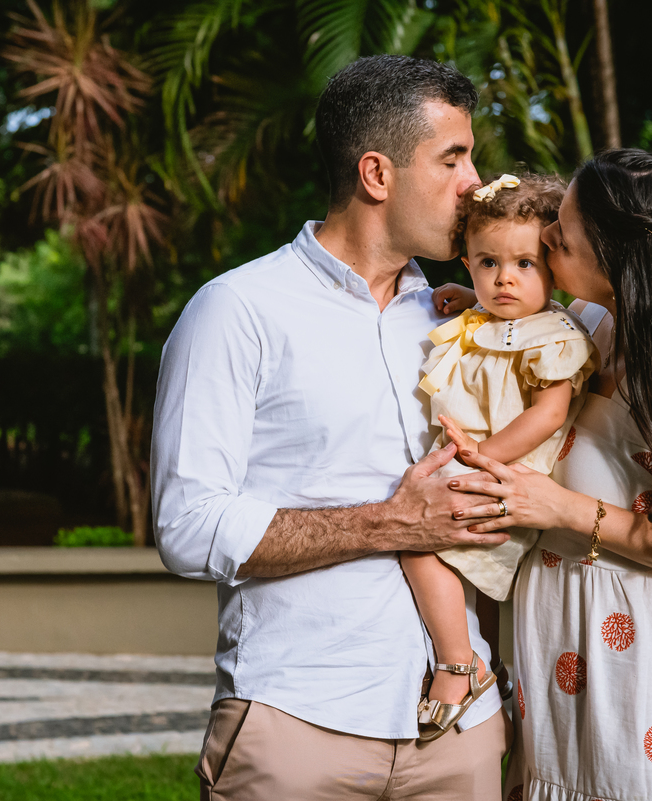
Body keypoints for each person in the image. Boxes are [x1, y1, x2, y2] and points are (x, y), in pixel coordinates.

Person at [152, 55, 513, 800]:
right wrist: (389, 522)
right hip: (297, 727)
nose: (475, 181)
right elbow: (188, 526)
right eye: (453, 158)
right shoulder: (236, 310)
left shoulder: (464, 317)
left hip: (462, 732)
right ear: (376, 174)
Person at [441, 149, 652, 800]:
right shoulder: (589, 327)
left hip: (643, 661)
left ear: (617, 264)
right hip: (556, 643)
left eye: (561, 237)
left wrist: (565, 510)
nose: (544, 238)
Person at [401, 172, 598, 741]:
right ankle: (491, 665)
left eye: (524, 265)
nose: (504, 278)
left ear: (552, 267)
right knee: (474, 583)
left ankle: (457, 666)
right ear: (467, 265)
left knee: (416, 543)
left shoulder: (554, 336)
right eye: (488, 265)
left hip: (505, 471)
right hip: (478, 462)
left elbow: (548, 415)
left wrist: (480, 457)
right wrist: (474, 303)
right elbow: (493, 325)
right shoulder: (493, 320)